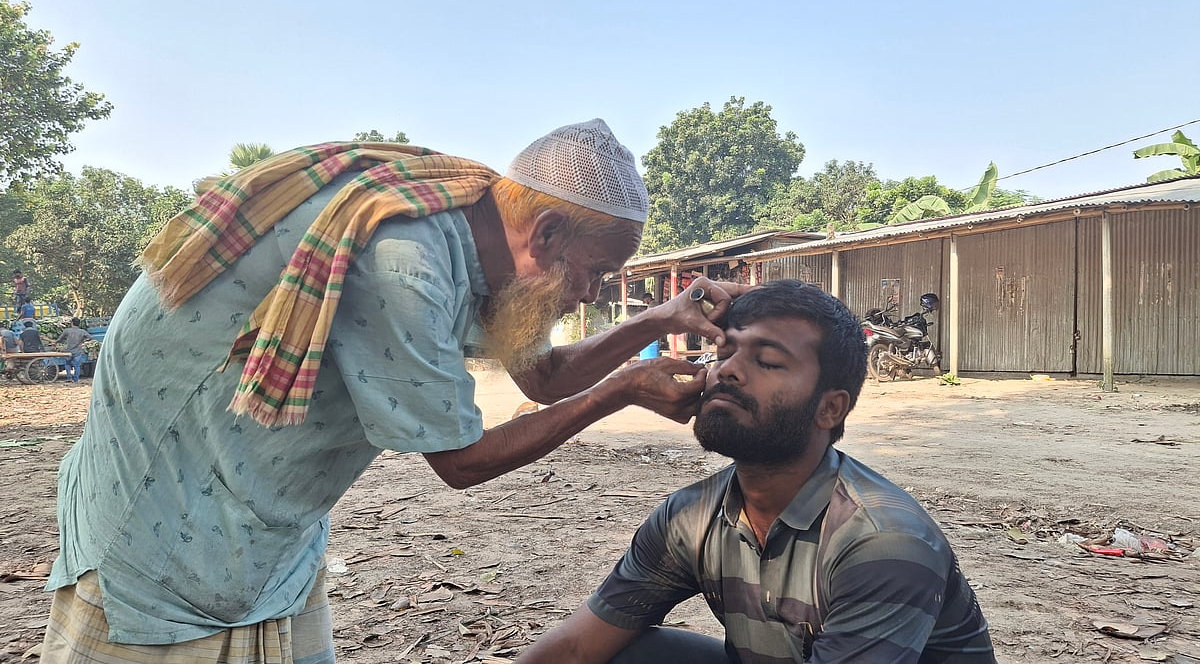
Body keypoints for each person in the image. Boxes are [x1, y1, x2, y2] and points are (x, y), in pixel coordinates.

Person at [41, 119, 748, 662]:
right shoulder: (405, 259)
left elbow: (544, 376)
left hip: (265, 518)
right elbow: (460, 461)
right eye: (594, 272)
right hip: (172, 504)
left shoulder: (481, 234)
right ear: (547, 231)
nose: (591, 293)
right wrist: (621, 390)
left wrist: (661, 319)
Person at [519, 280, 996, 664]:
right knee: (634, 654)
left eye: (767, 361)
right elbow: (576, 648)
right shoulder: (690, 518)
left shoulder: (882, 543)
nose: (727, 371)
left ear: (830, 408)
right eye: (724, 352)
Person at [54, 317, 92, 383]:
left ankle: (69, 377)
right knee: (77, 366)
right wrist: (83, 342)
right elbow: (90, 337)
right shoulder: (82, 331)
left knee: (67, 364)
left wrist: (55, 342)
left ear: (72, 323)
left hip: (69, 351)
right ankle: (76, 379)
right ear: (79, 324)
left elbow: (60, 339)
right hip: (78, 351)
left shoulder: (67, 331)